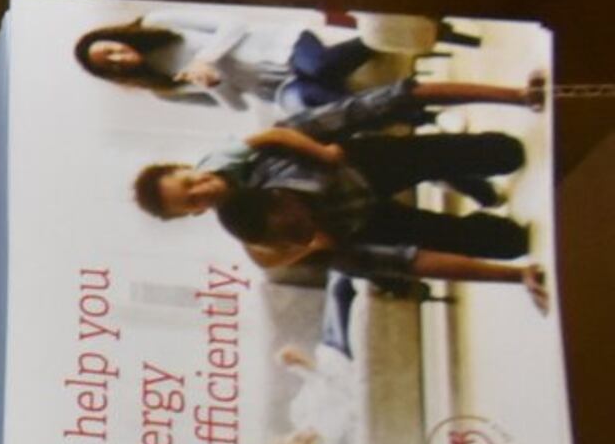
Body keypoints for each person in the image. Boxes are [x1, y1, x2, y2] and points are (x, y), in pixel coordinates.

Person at [133, 99, 551, 307]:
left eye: (190, 183)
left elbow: (341, 117)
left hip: (359, 168)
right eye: (190, 203)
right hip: (357, 223)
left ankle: (464, 168)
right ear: (195, 214)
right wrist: (515, 277)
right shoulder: (258, 233)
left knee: (506, 151)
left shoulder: (259, 150)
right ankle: (484, 221)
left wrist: (326, 154)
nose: (200, 192)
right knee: (510, 242)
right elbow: (410, 260)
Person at [72, 15, 540, 118]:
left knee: (319, 70)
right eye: (110, 65)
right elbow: (234, 107)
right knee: (327, 108)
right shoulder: (163, 89)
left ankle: (399, 35)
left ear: (119, 38)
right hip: (280, 89)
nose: (118, 58)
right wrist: (213, 84)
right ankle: (409, 109)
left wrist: (206, 58)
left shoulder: (161, 24)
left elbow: (232, 26)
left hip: (283, 46)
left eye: (111, 49)